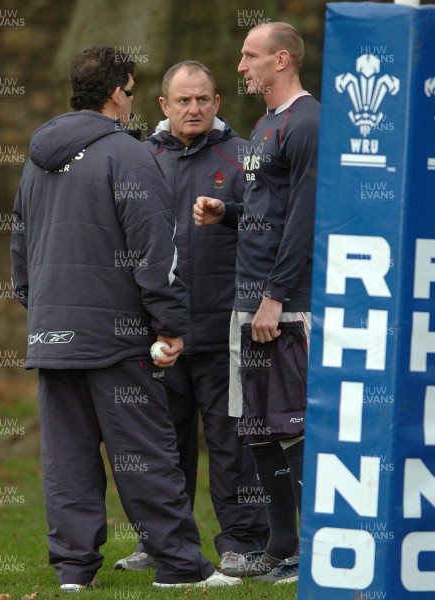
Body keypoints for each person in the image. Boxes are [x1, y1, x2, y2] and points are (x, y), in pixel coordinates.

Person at [10, 45, 242, 590]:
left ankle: (73, 572)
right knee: (146, 453)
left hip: (53, 334)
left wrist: (41, 308)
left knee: (66, 461)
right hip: (118, 338)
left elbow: (19, 250)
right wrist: (170, 326)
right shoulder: (129, 155)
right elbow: (155, 254)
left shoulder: (36, 159)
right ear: (119, 92)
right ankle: (181, 568)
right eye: (132, 92)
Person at [114, 60, 270, 578]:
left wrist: (229, 215)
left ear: (218, 101)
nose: (194, 108)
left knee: (231, 442)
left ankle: (242, 542)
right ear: (164, 106)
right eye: (183, 100)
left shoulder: (245, 156)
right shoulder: (138, 160)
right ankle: (161, 543)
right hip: (158, 332)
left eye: (203, 98)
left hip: (225, 328)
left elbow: (276, 226)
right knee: (162, 444)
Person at [194, 22, 320, 585]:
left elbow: (303, 219)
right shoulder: (266, 123)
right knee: (259, 430)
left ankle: (308, 554)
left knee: (292, 427)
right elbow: (268, 210)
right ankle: (280, 545)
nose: (241, 66)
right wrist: (230, 213)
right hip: (249, 300)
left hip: (283, 304)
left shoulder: (309, 122)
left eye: (251, 56)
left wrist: (275, 298)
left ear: (282, 60)